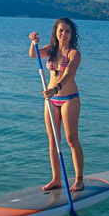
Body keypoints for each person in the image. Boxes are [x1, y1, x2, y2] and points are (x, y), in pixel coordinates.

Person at [28, 18, 84, 191]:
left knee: (71, 139)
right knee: (53, 140)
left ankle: (79, 179)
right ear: (56, 32)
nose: (64, 34)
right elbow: (34, 54)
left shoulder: (74, 53)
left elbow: (68, 74)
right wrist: (34, 43)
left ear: (72, 34)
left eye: (67, 31)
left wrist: (56, 88)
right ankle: (56, 179)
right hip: (51, 100)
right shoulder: (51, 49)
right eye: (61, 30)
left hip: (69, 99)